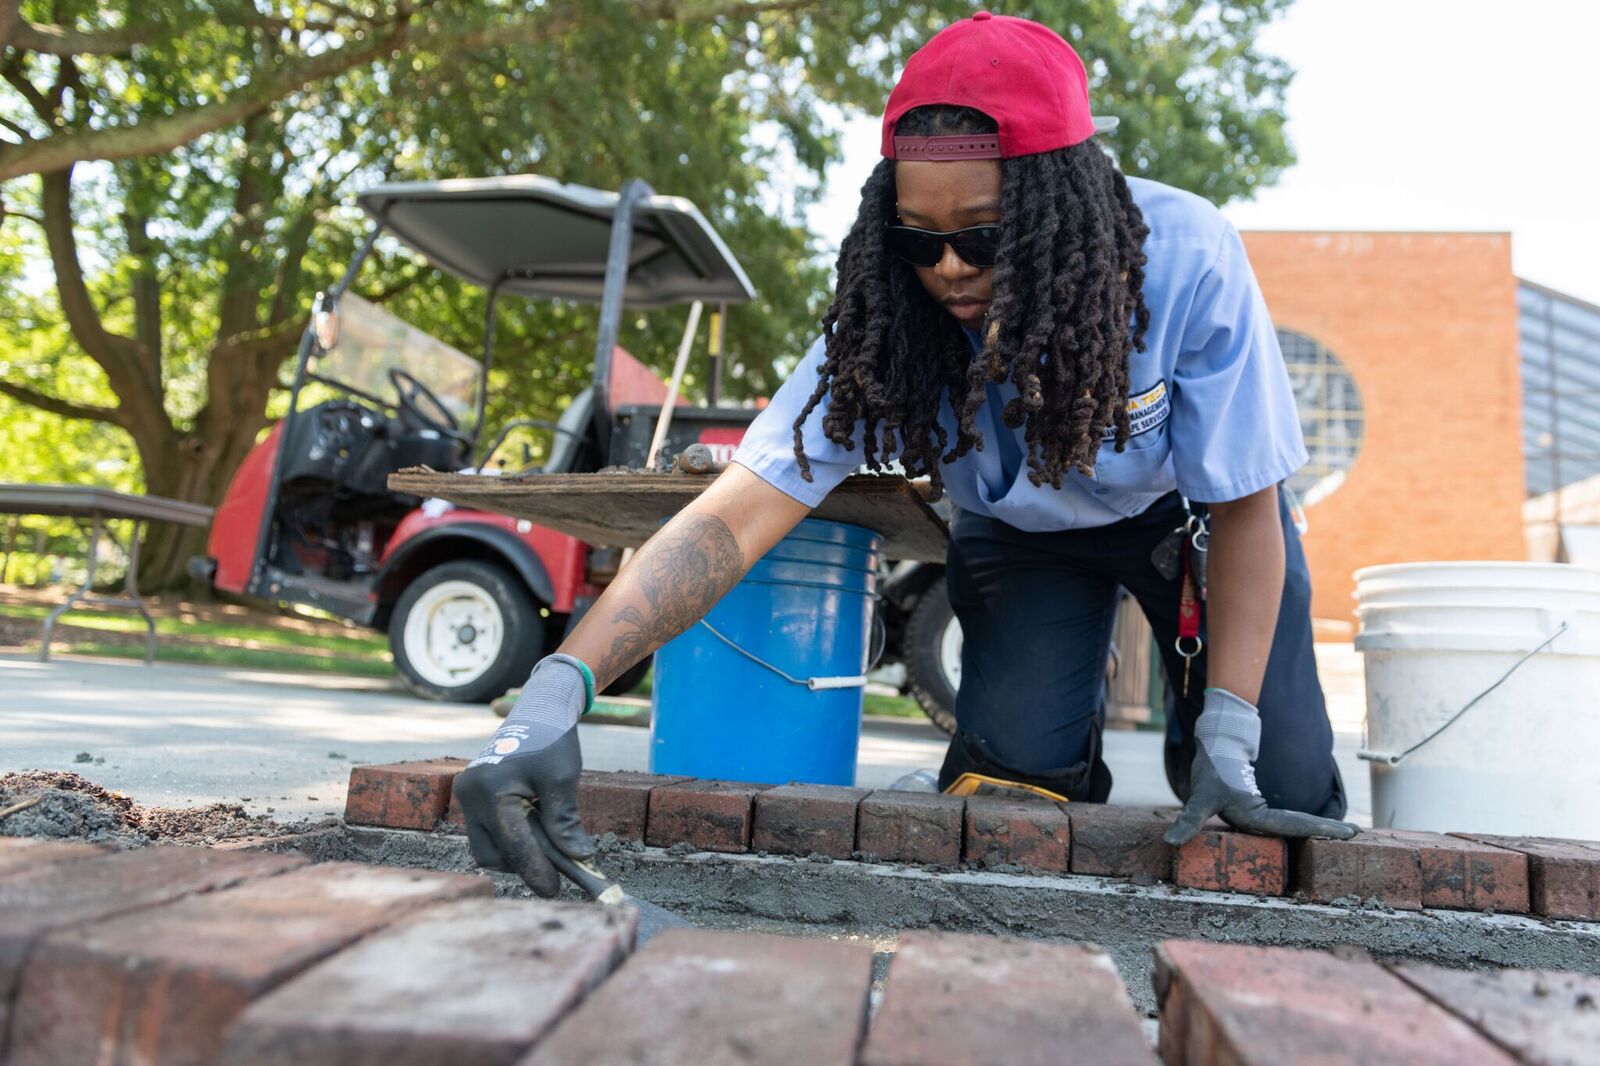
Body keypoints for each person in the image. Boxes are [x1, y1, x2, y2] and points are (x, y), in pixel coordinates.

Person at [454, 11, 1356, 897]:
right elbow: (736, 513)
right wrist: (556, 691)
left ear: (1059, 205)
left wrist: (1230, 736)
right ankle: (1067, 679)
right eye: (920, 240)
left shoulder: (1187, 258)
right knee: (1011, 795)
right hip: (1022, 535)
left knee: (1273, 788)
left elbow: (1244, 505)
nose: (951, 268)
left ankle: (1211, 729)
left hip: (1188, 524)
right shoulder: (886, 321)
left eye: (985, 237)